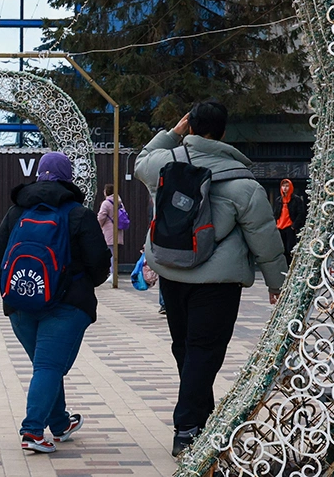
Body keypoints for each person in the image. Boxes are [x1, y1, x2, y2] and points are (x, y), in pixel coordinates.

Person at [134, 101, 287, 457]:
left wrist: (173, 133)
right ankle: (187, 428)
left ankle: (200, 419)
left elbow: (141, 161)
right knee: (203, 352)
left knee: (185, 348)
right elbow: (264, 237)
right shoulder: (242, 182)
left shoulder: (166, 163)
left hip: (172, 271)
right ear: (223, 132)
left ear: (189, 126)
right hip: (218, 283)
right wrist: (276, 283)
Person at [0, 152, 110, 454]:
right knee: (49, 366)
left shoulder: (17, 211)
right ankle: (32, 431)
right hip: (66, 306)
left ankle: (59, 423)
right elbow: (99, 263)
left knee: (46, 365)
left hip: (20, 302)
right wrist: (78, 283)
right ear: (68, 177)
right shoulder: (78, 214)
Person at [272, 178, 307, 264]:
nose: (285, 188)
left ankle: (290, 266)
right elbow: (275, 213)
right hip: (279, 227)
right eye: (283, 186)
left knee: (290, 249)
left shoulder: (296, 199)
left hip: (290, 227)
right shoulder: (278, 200)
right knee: (281, 249)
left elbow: (301, 213)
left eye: (287, 186)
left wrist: (294, 226)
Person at [96, 183, 125, 260]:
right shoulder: (120, 203)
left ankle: (112, 268)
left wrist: (98, 226)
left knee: (110, 255)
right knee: (115, 255)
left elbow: (101, 217)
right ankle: (114, 267)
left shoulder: (106, 203)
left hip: (109, 233)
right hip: (118, 231)